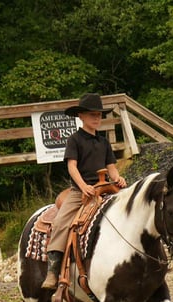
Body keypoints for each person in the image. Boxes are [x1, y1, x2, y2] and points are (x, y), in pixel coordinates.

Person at [41, 93, 127, 290]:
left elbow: (111, 167)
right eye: (91, 115)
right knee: (61, 222)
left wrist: (118, 178)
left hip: (105, 188)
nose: (96, 118)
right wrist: (83, 186)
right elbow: (72, 167)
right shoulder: (74, 140)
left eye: (99, 115)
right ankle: (53, 271)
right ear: (81, 116)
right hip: (81, 191)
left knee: (130, 206)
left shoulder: (104, 142)